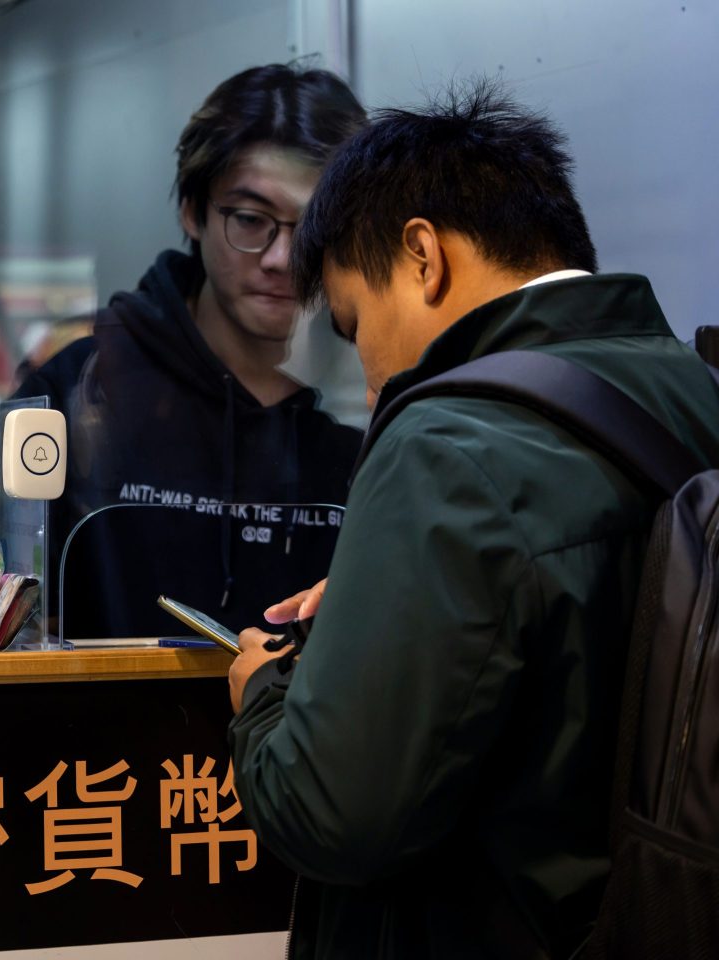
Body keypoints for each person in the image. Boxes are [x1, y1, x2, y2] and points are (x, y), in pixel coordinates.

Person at [226, 84, 719, 958]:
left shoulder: (446, 442)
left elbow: (331, 816)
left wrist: (261, 691)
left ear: (422, 256)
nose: (373, 381)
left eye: (356, 323)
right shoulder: (692, 389)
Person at [0, 64, 368, 638]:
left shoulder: (363, 396)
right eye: (250, 219)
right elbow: (3, 608)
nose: (282, 258)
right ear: (192, 210)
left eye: (313, 227)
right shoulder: (88, 385)